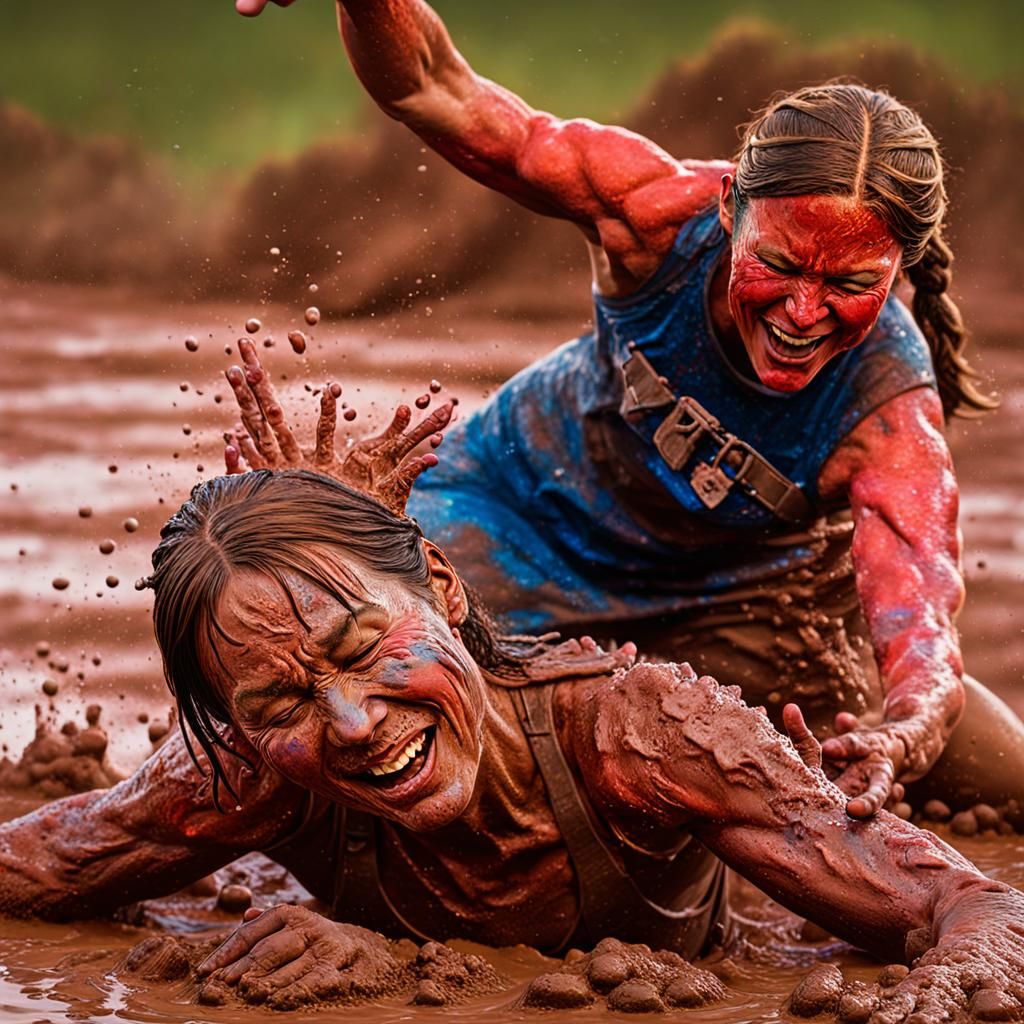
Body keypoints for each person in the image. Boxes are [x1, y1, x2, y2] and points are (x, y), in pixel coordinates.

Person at [230, 0, 1024, 822]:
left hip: (745, 606)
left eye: (851, 287)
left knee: (992, 779)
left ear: (898, 270)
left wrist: (904, 731)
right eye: (778, 267)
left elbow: (923, 632)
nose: (801, 312)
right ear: (728, 212)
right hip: (511, 518)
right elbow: (436, 88)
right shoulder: (653, 213)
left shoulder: (888, 418)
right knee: (365, 683)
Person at [0, 395, 1022, 1020]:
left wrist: (953, 991)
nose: (351, 722)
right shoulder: (250, 768)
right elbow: (40, 863)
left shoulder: (637, 734)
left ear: (442, 586)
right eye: (277, 699)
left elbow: (978, 905)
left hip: (756, 679)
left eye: (363, 647)